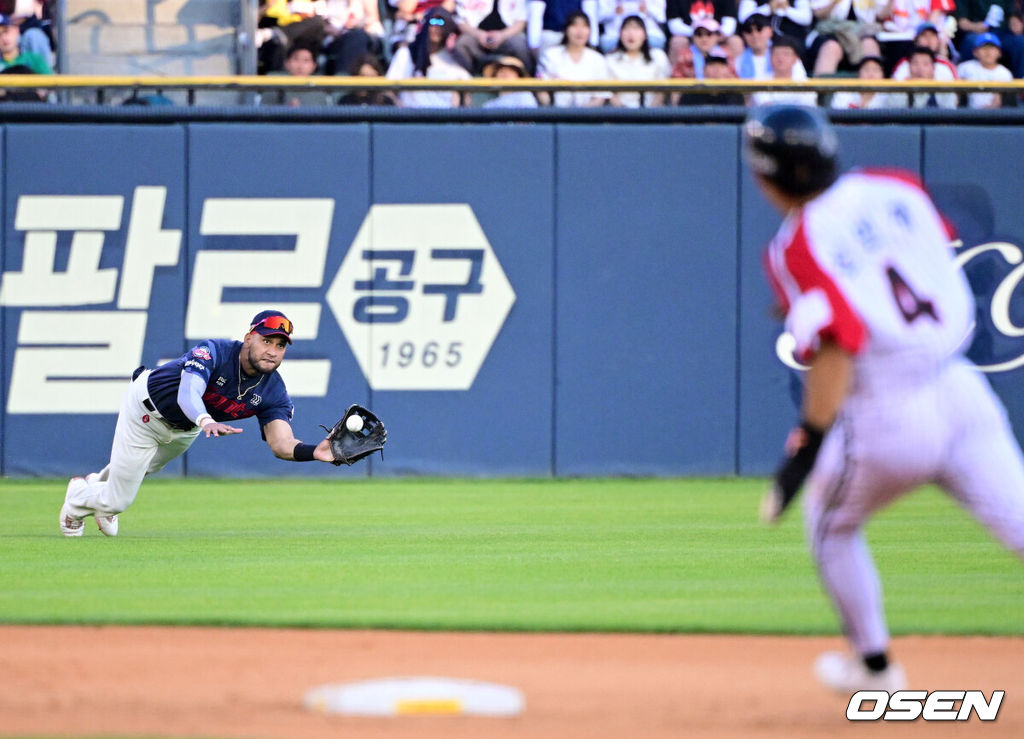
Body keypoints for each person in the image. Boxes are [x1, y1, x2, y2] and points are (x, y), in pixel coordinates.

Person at [746, 103, 1024, 694]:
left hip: (887, 412)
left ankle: (875, 671)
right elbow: (915, 256)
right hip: (961, 386)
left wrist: (807, 448)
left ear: (768, 177)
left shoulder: (794, 247)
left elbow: (837, 344)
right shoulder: (893, 184)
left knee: (828, 523)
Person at [59, 311, 341, 537]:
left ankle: (96, 484)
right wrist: (205, 419)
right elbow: (188, 393)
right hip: (146, 412)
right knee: (119, 500)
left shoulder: (274, 391)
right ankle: (77, 499)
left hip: (187, 428)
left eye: (280, 345)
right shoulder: (215, 351)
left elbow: (281, 444)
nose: (273, 351)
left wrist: (314, 452)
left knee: (144, 468)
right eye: (266, 340)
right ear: (248, 338)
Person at [386, 7, 471, 107]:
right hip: (411, 117)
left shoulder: (455, 60)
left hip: (444, 118)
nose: (436, 28)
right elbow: (389, 91)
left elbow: (465, 99)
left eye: (441, 24)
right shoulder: (406, 54)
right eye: (432, 22)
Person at [536, 10, 611, 105]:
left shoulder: (598, 59)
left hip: (589, 116)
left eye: (584, 26)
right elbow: (541, 90)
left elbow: (601, 96)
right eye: (574, 25)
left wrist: (584, 116)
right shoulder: (550, 55)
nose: (580, 31)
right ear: (566, 30)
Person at [605, 14, 672, 106]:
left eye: (636, 29)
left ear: (645, 35)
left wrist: (649, 115)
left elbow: (662, 91)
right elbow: (609, 94)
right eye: (627, 29)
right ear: (620, 35)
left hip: (653, 114)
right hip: (619, 115)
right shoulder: (610, 60)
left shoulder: (658, 57)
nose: (631, 33)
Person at [453, 0, 533, 75]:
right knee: (462, 43)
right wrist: (479, 34)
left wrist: (502, 35)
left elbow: (521, 22)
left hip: (507, 35)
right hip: (477, 35)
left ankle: (528, 77)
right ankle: (467, 80)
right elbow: (461, 21)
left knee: (519, 44)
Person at [748, 34, 818, 103]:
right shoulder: (760, 82)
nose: (780, 58)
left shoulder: (805, 84)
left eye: (786, 54)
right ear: (770, 57)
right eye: (777, 54)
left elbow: (806, 108)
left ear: (796, 58)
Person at [828, 53, 908, 107]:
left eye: (876, 70)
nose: (871, 74)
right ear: (859, 74)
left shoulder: (889, 97)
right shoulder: (844, 93)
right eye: (866, 70)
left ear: (882, 76)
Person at [957, 31, 1012, 108]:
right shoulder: (965, 68)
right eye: (984, 48)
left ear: (999, 53)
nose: (988, 52)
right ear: (975, 52)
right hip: (968, 114)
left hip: (995, 116)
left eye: (992, 48)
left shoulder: (1004, 73)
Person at [596, 0, 668, 53]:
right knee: (607, 43)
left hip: (650, 34)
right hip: (614, 35)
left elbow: (661, 17)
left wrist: (647, 9)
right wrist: (614, 12)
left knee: (655, 43)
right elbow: (600, 17)